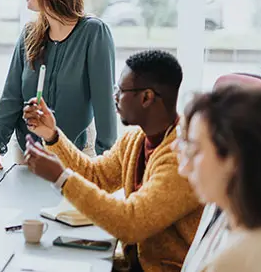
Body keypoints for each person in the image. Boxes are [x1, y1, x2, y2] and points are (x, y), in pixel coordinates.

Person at [22, 50, 203, 272]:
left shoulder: (181, 155)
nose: (114, 96)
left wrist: (61, 178)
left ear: (146, 97)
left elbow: (132, 223)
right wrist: (52, 135)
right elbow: (96, 176)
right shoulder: (135, 139)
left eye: (121, 90)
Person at [0, 0, 116, 170]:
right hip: (29, 152)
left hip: (76, 153)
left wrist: (106, 164)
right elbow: (11, 95)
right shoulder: (29, 33)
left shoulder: (94, 32)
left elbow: (104, 103)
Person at [179, 73, 261, 272]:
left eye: (195, 150)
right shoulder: (255, 221)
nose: (184, 167)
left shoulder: (234, 262)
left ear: (233, 158)